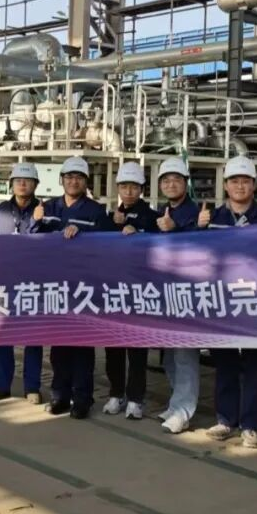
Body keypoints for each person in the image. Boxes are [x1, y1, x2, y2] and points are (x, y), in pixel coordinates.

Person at [199, 155, 257, 449]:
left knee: (255, 363)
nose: (240, 186)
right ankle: (225, 419)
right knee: (225, 362)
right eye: (234, 181)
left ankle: (250, 425)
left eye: (245, 181)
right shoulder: (212, 219)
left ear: (254, 186)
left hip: (254, 299)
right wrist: (198, 229)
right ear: (226, 185)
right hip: (222, 299)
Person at [31, 156, 113, 419]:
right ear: (61, 180)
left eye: (78, 177)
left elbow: (106, 246)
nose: (73, 181)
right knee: (58, 347)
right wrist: (36, 221)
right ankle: (60, 396)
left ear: (85, 182)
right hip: (56, 286)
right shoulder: (47, 207)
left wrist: (83, 235)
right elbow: (32, 242)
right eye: (69, 177)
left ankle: (82, 399)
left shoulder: (96, 211)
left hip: (83, 288)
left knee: (82, 348)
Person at [0, 162, 44, 404]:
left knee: (33, 337)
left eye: (27, 180)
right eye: (18, 180)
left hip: (34, 283)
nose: (22, 184)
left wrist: (38, 222)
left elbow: (48, 245)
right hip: (4, 282)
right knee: (2, 336)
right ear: (11, 184)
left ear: (35, 184)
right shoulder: (0, 211)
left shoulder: (44, 211)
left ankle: (32, 387)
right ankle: (1, 386)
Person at [104, 162, 159, 419]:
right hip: (113, 290)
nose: (128, 191)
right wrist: (114, 226)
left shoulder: (153, 217)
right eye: (124, 186)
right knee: (113, 347)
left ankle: (136, 398)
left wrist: (138, 233)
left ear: (141, 189)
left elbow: (160, 244)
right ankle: (116, 393)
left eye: (134, 187)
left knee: (137, 349)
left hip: (140, 291)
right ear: (118, 188)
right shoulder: (109, 218)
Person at [153, 156, 201, 435]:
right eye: (166, 180)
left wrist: (177, 230)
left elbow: (201, 249)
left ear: (186, 183)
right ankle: (176, 403)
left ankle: (184, 410)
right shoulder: (162, 211)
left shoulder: (197, 214)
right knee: (169, 355)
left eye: (176, 180)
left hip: (187, 292)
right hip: (164, 292)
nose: (171, 184)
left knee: (184, 353)